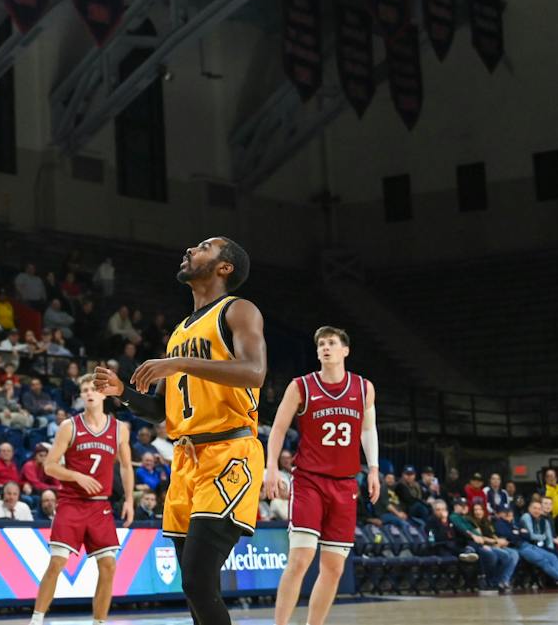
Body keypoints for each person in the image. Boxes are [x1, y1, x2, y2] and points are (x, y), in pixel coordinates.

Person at [96, 237, 266, 625]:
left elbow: (255, 372)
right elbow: (161, 411)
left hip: (228, 453)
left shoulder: (238, 310)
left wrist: (181, 364)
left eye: (204, 247)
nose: (189, 249)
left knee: (198, 580)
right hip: (185, 462)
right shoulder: (178, 333)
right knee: (193, 590)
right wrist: (123, 393)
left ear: (225, 267)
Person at [264, 326, 378, 625]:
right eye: (321, 344)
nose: (325, 348)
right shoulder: (301, 386)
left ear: (345, 350)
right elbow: (277, 429)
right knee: (300, 559)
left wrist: (375, 469)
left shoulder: (364, 388)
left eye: (331, 343)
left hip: (345, 484)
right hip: (309, 481)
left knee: (334, 567)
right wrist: (272, 467)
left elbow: (368, 430)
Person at [27, 373, 134, 625]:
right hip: (72, 502)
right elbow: (50, 467)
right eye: (84, 389)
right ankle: (36, 620)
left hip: (100, 506)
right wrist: (76, 475)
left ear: (103, 394)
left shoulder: (119, 429)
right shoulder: (69, 427)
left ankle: (99, 622)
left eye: (93, 388)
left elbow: (127, 467)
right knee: (57, 562)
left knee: (108, 565)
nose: (88, 392)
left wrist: (129, 500)